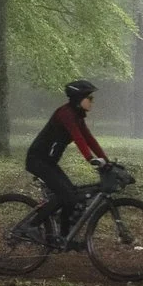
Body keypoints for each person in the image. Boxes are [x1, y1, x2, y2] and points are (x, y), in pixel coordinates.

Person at [25, 80, 107, 235]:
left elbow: (90, 140)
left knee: (72, 196)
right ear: (79, 98)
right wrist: (90, 159)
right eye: (89, 98)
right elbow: (78, 138)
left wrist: (106, 161)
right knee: (66, 195)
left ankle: (64, 236)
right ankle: (32, 226)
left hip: (48, 162)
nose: (92, 102)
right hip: (37, 160)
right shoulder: (65, 114)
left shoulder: (77, 116)